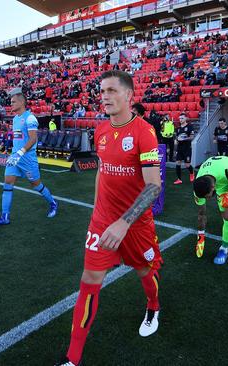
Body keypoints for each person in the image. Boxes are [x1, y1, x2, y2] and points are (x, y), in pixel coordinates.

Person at [56, 71, 163, 366]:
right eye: (102, 91)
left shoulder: (144, 132)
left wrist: (124, 222)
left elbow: (154, 185)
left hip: (135, 223)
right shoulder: (101, 130)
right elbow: (103, 170)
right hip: (103, 220)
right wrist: (97, 209)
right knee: (89, 279)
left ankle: (153, 305)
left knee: (144, 271)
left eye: (112, 90)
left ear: (129, 96)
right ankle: (72, 359)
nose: (104, 96)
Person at [0, 88, 57, 226]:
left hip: (27, 159)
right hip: (15, 158)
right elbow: (19, 138)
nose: (11, 104)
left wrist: (20, 152)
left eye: (13, 102)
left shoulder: (30, 118)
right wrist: (14, 153)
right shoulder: (15, 119)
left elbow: (33, 139)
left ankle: (53, 203)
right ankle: (4, 217)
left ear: (21, 103)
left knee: (36, 185)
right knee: (7, 184)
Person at [193, 156, 228, 265]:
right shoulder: (199, 187)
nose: (207, 199)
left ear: (212, 187)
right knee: (223, 210)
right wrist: (200, 236)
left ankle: (224, 249)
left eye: (208, 196)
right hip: (221, 184)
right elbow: (202, 213)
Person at [173, 113, 195, 184]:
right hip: (179, 148)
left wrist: (184, 139)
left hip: (187, 148)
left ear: (185, 118)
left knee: (187, 165)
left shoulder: (189, 126)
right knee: (178, 163)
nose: (180, 120)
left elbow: (192, 137)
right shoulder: (178, 128)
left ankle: (192, 173)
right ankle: (179, 179)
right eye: (179, 119)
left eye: (182, 118)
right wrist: (176, 140)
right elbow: (176, 137)